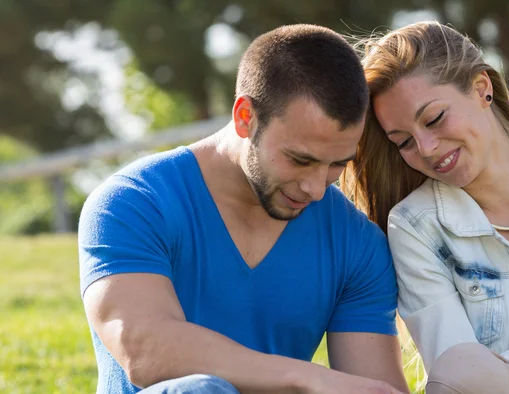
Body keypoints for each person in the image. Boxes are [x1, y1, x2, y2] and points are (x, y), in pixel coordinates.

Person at [78, 24, 410, 394]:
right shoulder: (134, 202)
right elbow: (143, 349)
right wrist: (308, 377)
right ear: (245, 117)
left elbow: (373, 389)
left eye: (337, 165)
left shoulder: (357, 243)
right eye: (300, 160)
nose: (316, 189)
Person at [341, 21, 509, 393]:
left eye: (434, 119)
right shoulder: (416, 227)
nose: (426, 148)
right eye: (404, 142)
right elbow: (461, 377)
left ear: (482, 89)